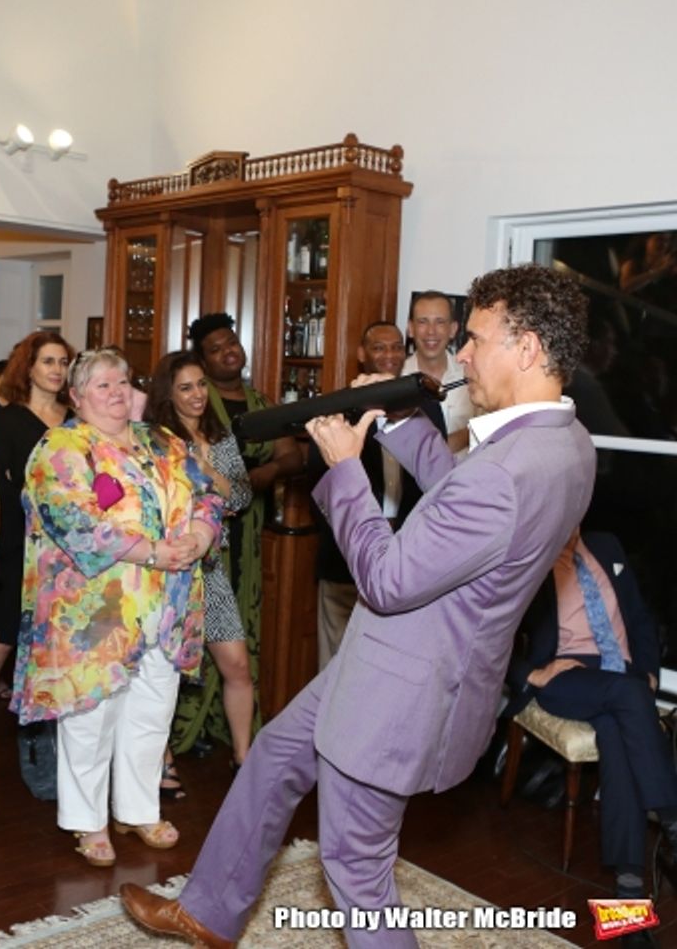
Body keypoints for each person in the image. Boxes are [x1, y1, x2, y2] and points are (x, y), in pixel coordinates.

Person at [122, 264, 597, 948]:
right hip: (394, 660)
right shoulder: (564, 443)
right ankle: (211, 912)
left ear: (525, 349)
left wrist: (346, 467)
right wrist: (400, 422)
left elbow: (388, 578)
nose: (460, 353)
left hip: (402, 687)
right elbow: (462, 502)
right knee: (276, 755)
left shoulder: (508, 470)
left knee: (355, 863)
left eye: (476, 338)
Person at [12, 348, 222, 867]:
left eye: (123, 382)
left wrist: (198, 534)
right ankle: (88, 822)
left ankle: (139, 808)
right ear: (77, 396)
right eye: (102, 385)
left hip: (166, 606)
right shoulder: (61, 447)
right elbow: (74, 521)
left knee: (152, 712)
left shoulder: (164, 442)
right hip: (94, 612)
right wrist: (152, 551)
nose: (116, 393)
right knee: (91, 716)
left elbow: (208, 496)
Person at [507, 530, 677, 927]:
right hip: (569, 675)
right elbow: (487, 634)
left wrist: (650, 671)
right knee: (631, 697)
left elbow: (639, 615)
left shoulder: (607, 547)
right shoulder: (528, 557)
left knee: (618, 738)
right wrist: (532, 673)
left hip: (623, 676)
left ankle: (628, 903)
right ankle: (672, 819)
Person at [178, 312, 301, 756]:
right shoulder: (193, 409)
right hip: (198, 539)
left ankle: (237, 738)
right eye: (215, 349)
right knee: (193, 631)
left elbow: (291, 457)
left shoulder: (260, 401)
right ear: (201, 362)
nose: (228, 352)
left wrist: (258, 477)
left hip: (246, 530)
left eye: (232, 343)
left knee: (241, 626)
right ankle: (191, 727)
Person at [310, 321, 446, 666]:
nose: (389, 355)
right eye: (379, 348)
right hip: (345, 561)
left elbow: (438, 482)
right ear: (361, 355)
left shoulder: (427, 408)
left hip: (407, 561)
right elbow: (322, 485)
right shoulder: (336, 409)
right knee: (336, 666)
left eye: (397, 347)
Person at [144, 351, 254, 773]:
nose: (197, 396)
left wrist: (207, 470)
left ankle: (244, 758)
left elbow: (241, 497)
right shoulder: (155, 440)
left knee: (237, 664)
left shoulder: (220, 437)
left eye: (201, 385)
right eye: (185, 388)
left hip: (211, 571)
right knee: (163, 672)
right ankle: (161, 762)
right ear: (168, 394)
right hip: (169, 573)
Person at [0, 331, 76, 694]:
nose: (57, 370)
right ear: (29, 367)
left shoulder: (75, 421)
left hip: (69, 545)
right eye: (48, 361)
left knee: (57, 638)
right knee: (5, 635)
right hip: (19, 541)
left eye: (63, 362)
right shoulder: (6, 420)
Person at [404, 290, 474, 451]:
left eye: (440, 322)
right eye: (423, 321)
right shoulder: (395, 380)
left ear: (453, 329)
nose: (431, 331)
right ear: (410, 328)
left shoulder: (473, 377)